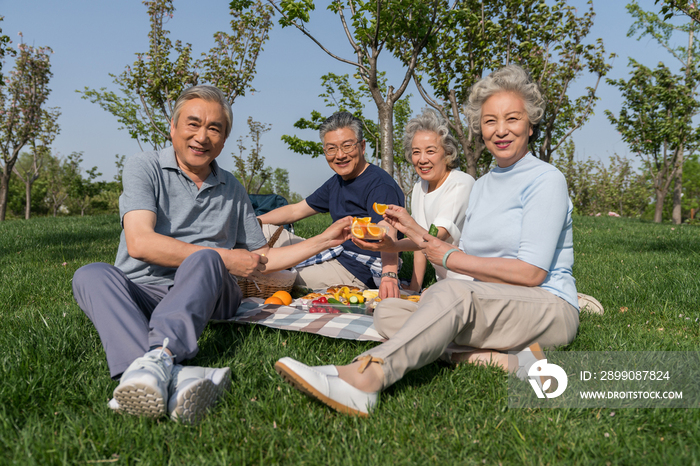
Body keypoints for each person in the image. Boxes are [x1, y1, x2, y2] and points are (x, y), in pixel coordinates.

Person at [273, 65, 580, 416]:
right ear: (480, 127)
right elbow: (465, 253)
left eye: (512, 118)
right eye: (490, 121)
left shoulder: (546, 179)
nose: (501, 130)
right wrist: (411, 235)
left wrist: (446, 258)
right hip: (489, 301)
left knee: (449, 293)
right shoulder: (484, 185)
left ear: (530, 123)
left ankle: (366, 377)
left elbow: (531, 274)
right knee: (389, 311)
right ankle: (498, 360)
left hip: (546, 306)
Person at [72, 85, 352, 423]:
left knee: (206, 257)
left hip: (212, 291)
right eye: (193, 124)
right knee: (90, 274)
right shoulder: (144, 167)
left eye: (214, 128)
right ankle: (156, 376)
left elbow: (261, 258)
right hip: (144, 290)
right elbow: (140, 244)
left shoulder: (231, 187)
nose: (202, 136)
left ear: (224, 138)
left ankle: (160, 355)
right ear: (173, 128)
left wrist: (324, 240)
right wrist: (226, 256)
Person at [257, 111, 405, 299]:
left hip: (356, 269)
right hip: (332, 250)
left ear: (362, 146)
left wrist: (389, 276)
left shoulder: (379, 184)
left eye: (347, 146)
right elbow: (295, 210)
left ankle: (240, 275)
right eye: (331, 149)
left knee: (281, 276)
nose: (340, 155)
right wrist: (253, 221)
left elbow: (388, 231)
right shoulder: (337, 181)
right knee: (262, 231)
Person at [352, 108, 475, 296]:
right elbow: (420, 242)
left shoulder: (460, 184)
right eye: (416, 152)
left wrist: (393, 245)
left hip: (470, 281)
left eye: (431, 151)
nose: (422, 159)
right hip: (447, 282)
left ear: (447, 152)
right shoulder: (420, 185)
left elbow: (434, 238)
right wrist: (415, 286)